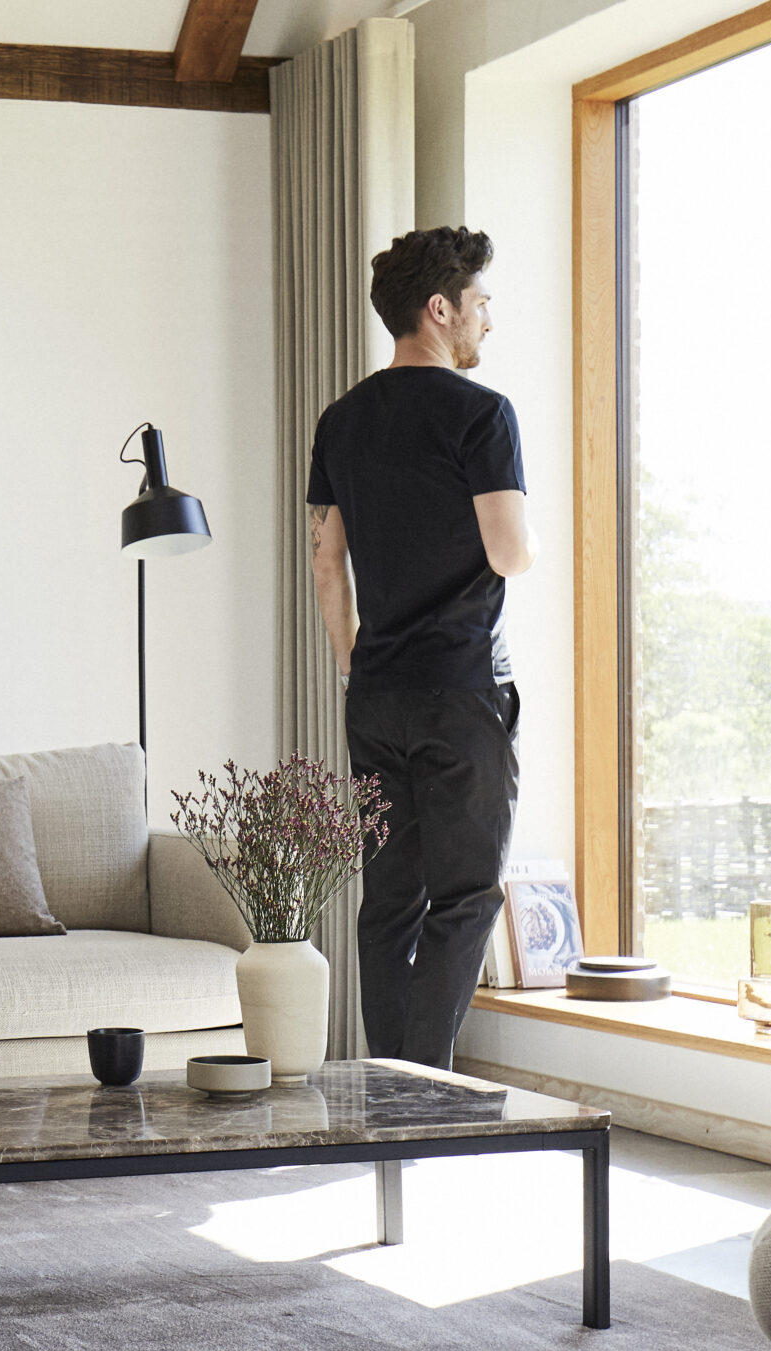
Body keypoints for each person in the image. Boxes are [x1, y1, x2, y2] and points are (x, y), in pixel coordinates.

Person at [304, 226, 536, 1071]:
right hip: (462, 690)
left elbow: (327, 563)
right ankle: (424, 1086)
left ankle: (390, 1086)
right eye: (480, 304)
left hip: (376, 692)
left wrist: (352, 665)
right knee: (467, 895)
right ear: (440, 309)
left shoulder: (340, 421)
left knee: (390, 899)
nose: (486, 321)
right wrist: (533, 540)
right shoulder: (483, 414)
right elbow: (509, 552)